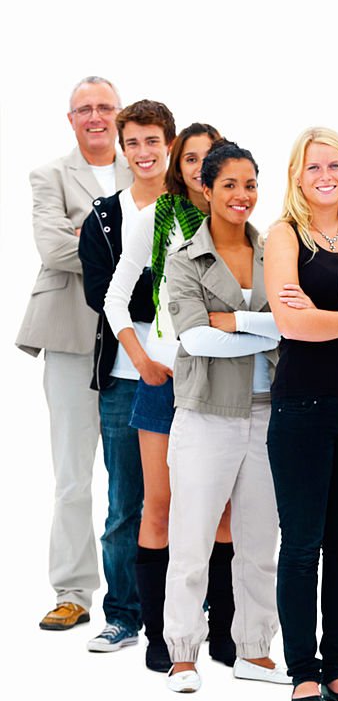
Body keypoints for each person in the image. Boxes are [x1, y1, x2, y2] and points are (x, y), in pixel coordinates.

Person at [103, 122, 235, 672]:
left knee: (223, 512)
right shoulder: (158, 221)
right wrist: (141, 361)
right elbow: (115, 298)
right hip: (165, 383)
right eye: (192, 160)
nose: (202, 170)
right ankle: (158, 634)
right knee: (158, 508)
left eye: (212, 160)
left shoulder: (241, 224)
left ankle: (223, 634)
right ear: (180, 168)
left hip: (226, 383)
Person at [162, 141, 288, 693]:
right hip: (205, 416)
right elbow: (195, 339)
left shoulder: (279, 252)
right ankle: (183, 655)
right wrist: (262, 327)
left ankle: (254, 651)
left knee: (261, 544)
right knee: (190, 543)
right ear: (206, 190)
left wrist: (232, 321)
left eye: (251, 184)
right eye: (230, 185)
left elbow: (290, 328)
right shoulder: (182, 258)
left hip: (268, 415)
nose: (242, 196)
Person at [264, 128, 338, 701]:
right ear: (298, 177)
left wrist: (329, 315)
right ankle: (302, 671)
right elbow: (290, 324)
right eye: (313, 167)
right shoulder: (285, 236)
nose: (324, 175)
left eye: (334, 164)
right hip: (301, 409)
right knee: (302, 545)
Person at [17, 76, 129, 631]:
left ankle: (139, 593)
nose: (95, 116)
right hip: (67, 334)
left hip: (134, 339)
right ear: (70, 119)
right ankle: (73, 591)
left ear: (121, 114)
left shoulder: (145, 170)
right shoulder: (48, 176)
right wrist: (124, 246)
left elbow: (169, 246)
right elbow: (53, 248)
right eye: (84, 108)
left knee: (137, 472)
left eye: (104, 107)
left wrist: (91, 233)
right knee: (72, 473)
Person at [78, 99, 176, 654]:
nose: (143, 153)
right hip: (123, 375)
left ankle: (189, 606)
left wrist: (151, 287)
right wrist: (160, 290)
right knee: (125, 500)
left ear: (169, 144)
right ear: (122, 147)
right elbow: (100, 293)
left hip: (186, 374)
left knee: (192, 496)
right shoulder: (105, 216)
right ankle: (123, 613)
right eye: (132, 143)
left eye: (152, 142)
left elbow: (206, 287)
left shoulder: (191, 208)